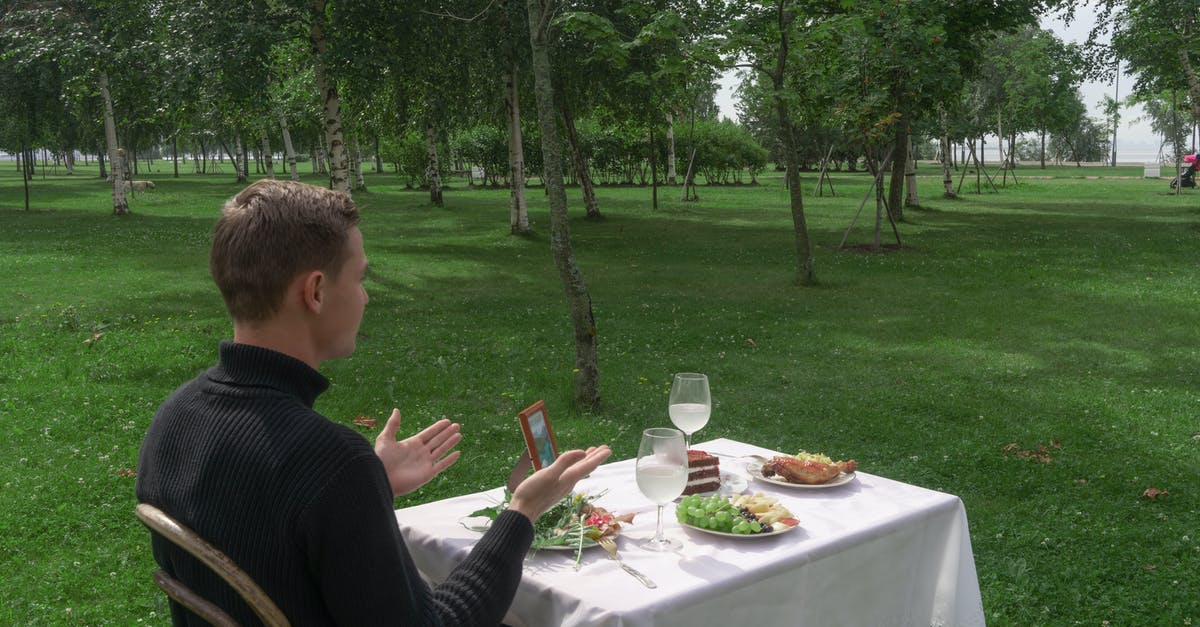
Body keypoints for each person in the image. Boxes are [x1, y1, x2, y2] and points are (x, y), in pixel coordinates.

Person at [135, 179, 611, 625]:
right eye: (359, 279)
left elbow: (257, 518)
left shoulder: (174, 417)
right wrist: (522, 512)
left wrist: (368, 487)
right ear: (316, 291)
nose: (365, 298)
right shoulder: (332, 464)